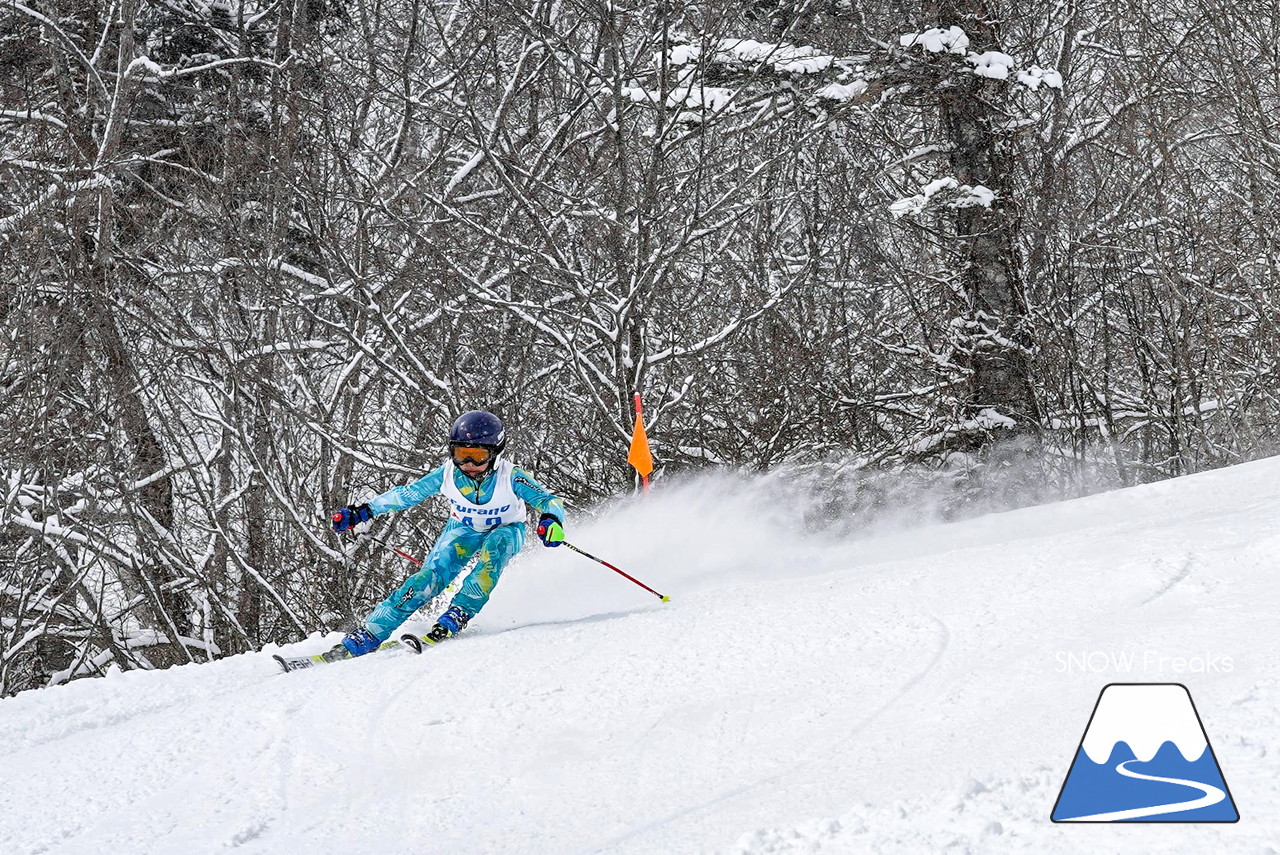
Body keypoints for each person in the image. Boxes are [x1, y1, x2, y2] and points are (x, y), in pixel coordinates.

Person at [326, 410, 566, 659]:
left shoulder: (511, 476)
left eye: (477, 456)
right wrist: (364, 511)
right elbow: (406, 495)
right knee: (428, 577)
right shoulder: (448, 473)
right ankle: (371, 632)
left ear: (495, 453)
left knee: (493, 551)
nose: (468, 465)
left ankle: (460, 610)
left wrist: (552, 520)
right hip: (463, 529)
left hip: (506, 529)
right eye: (461, 455)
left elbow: (549, 501)